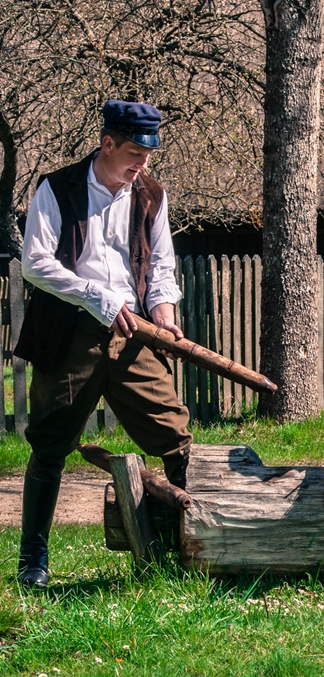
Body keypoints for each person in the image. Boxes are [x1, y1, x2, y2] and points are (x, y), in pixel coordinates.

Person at [14, 101, 192, 588]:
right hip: (69, 331)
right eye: (134, 153)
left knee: (175, 434)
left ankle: (186, 543)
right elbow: (36, 263)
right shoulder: (57, 188)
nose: (142, 164)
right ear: (107, 143)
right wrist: (98, 297)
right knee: (50, 441)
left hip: (134, 333)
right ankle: (33, 561)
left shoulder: (151, 194)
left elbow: (161, 267)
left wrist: (164, 315)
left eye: (149, 155)